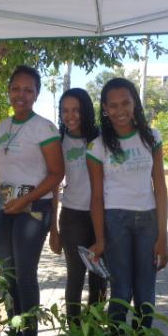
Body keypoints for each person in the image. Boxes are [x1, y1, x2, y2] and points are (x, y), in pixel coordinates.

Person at [0, 65, 64, 336]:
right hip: (6, 205)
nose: (21, 95)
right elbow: (1, 169)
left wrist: (25, 201)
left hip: (34, 208)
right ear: (9, 91)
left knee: (24, 272)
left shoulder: (44, 128)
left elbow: (57, 173)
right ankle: (14, 327)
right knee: (6, 272)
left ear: (36, 94)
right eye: (16, 88)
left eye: (28, 89)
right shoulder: (2, 126)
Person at [86, 77, 168, 330]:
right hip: (116, 222)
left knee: (145, 293)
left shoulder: (151, 137)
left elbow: (161, 188)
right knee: (120, 292)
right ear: (105, 109)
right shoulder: (97, 146)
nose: (120, 110)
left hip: (148, 221)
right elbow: (97, 197)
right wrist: (100, 240)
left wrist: (162, 237)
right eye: (113, 105)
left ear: (135, 104)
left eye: (126, 103)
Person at [49, 88, 107, 320]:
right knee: (75, 276)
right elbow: (53, 186)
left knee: (99, 276)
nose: (70, 116)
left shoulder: (101, 139)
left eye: (76, 110)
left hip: (101, 218)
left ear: (86, 111)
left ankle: (94, 330)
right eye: (65, 111)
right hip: (72, 217)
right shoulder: (58, 142)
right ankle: (74, 333)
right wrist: (53, 229)